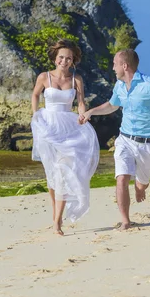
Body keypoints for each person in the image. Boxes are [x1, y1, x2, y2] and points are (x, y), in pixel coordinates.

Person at [80, 49, 150, 230]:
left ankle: (140, 187)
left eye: (115, 63)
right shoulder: (120, 86)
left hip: (148, 143)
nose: (113, 67)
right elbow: (112, 105)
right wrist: (91, 112)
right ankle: (125, 221)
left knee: (141, 183)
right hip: (125, 139)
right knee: (121, 178)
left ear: (125, 65)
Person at [30, 39, 100, 235]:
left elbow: (80, 102)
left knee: (62, 171)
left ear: (73, 61)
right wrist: (35, 114)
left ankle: (58, 222)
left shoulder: (76, 79)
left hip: (69, 128)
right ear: (55, 59)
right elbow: (36, 95)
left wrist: (82, 114)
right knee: (52, 174)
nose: (64, 61)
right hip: (47, 127)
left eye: (68, 58)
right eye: (61, 57)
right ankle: (55, 215)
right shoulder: (44, 77)